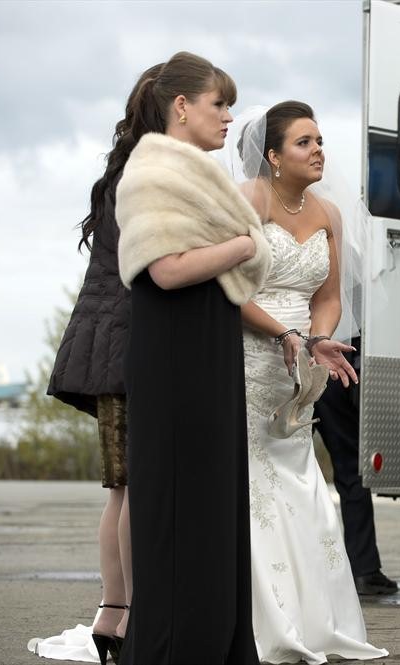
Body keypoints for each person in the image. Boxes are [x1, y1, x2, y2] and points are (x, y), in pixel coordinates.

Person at [115, 51, 271, 665]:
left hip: (205, 349)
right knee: (183, 511)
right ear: (182, 107)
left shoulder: (196, 174)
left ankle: (216, 644)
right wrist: (243, 243)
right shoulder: (153, 172)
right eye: (219, 103)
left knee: (212, 509)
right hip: (176, 358)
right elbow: (167, 269)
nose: (229, 117)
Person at [233, 101, 388, 663]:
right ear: (272, 155)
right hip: (250, 355)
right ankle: (256, 622)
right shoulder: (246, 201)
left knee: (303, 484)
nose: (319, 150)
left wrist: (318, 338)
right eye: (303, 142)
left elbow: (328, 296)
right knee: (254, 489)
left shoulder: (327, 213)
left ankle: (313, 618)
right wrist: (283, 334)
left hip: (301, 365)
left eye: (320, 140)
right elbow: (232, 289)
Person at [32, 65, 162, 665]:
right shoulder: (144, 173)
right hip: (126, 343)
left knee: (121, 488)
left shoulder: (120, 168)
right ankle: (133, 610)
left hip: (103, 339)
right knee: (135, 486)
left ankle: (115, 611)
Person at [312, 342, 398, 596]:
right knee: (351, 468)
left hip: (287, 367)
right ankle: (363, 568)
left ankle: (286, 562)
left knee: (285, 468)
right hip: (332, 369)